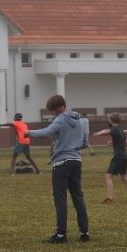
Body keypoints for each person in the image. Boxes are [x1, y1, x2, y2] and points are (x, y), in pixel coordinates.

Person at [27, 95, 90, 244]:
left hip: (62, 163)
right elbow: (84, 143)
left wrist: (28, 133)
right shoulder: (82, 120)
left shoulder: (61, 119)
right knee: (78, 197)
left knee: (60, 199)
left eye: (54, 111)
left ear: (60, 107)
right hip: (76, 160)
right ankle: (84, 232)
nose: (54, 114)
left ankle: (61, 235)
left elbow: (46, 132)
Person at [93, 112, 127, 203]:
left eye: (108, 119)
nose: (108, 120)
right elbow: (126, 143)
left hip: (118, 156)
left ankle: (110, 198)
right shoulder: (121, 130)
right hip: (124, 155)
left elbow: (106, 131)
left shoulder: (114, 129)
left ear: (111, 120)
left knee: (108, 176)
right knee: (124, 177)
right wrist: (113, 143)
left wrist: (97, 133)